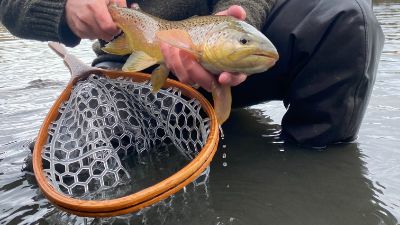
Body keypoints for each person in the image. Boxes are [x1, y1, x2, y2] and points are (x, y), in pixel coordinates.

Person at [0, 0, 384, 148]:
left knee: (347, 18)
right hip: (132, 59)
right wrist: (64, 7)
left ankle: (316, 165)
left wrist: (239, 16)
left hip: (231, 45)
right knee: (64, 151)